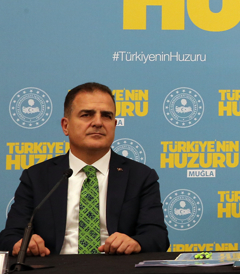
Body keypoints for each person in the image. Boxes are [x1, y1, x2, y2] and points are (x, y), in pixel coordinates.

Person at [0, 82, 169, 256]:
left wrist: (136, 242)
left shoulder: (140, 176)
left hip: (117, 269)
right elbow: (9, 236)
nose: (98, 122)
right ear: (65, 126)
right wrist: (21, 244)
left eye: (106, 116)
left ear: (114, 125)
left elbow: (157, 237)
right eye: (86, 115)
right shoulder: (37, 177)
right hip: (53, 269)